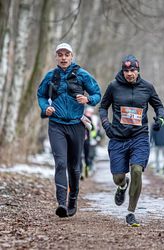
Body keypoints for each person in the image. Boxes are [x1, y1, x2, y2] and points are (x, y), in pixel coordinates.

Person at [99, 54, 164, 227]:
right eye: (126, 70)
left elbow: (159, 106)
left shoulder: (147, 87)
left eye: (133, 70)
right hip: (118, 138)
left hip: (140, 136)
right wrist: (106, 125)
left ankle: (131, 213)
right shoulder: (113, 86)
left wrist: (160, 119)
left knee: (136, 170)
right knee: (118, 177)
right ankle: (122, 186)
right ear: (123, 71)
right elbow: (103, 108)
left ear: (138, 70)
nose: (129, 73)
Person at [37, 43, 101, 218]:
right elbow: (41, 95)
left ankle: (72, 199)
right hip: (56, 124)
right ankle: (61, 203)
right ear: (56, 57)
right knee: (60, 163)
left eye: (67, 54)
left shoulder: (82, 75)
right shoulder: (51, 76)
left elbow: (97, 94)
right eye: (60, 54)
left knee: (74, 167)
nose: (63, 57)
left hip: (76, 125)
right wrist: (45, 108)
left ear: (72, 56)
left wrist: (87, 99)